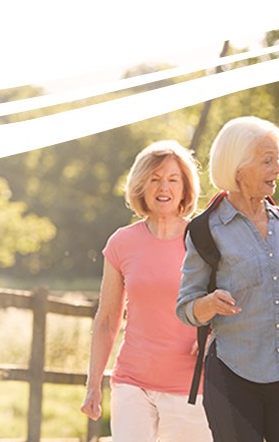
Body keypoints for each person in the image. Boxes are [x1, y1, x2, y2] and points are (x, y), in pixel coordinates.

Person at [176, 116, 279, 442]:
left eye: (278, 160)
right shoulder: (207, 230)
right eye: (267, 161)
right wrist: (209, 303)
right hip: (235, 375)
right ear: (238, 168)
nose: (278, 170)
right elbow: (186, 306)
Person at [80, 141, 212, 441]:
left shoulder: (205, 241)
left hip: (190, 386)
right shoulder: (121, 243)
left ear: (184, 187)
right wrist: (93, 385)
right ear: (141, 185)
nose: (163, 186)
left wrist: (213, 335)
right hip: (132, 383)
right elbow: (107, 319)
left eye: (172, 179)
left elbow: (228, 301)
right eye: (154, 178)